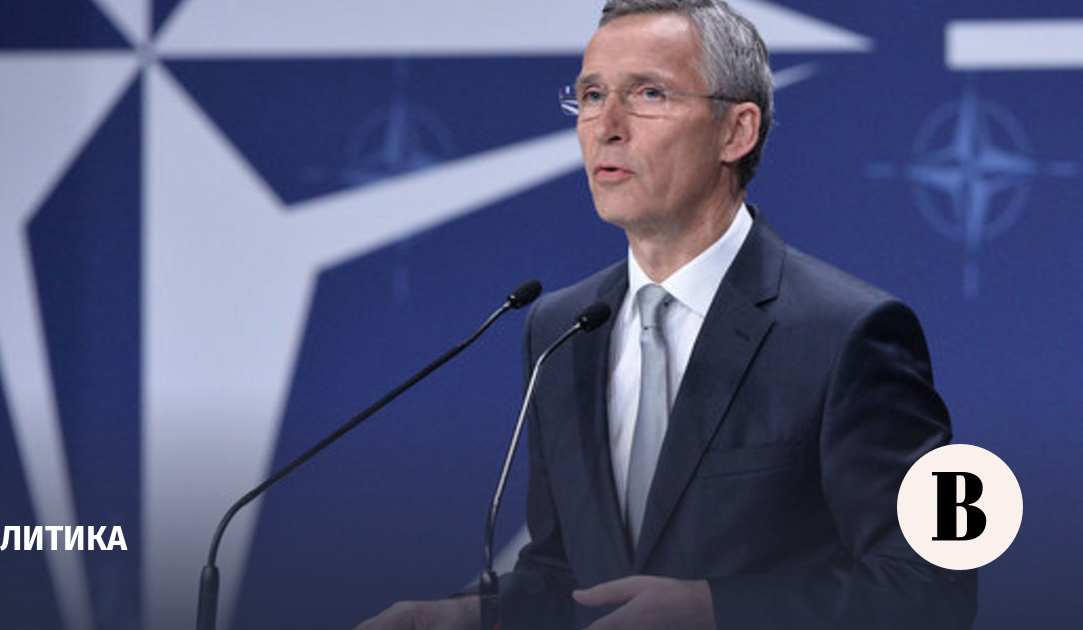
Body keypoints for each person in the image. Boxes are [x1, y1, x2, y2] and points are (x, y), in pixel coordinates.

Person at [357, 1, 977, 628]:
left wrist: (716, 611)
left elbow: (932, 587)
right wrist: (467, 618)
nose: (606, 126)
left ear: (736, 131)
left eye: (648, 93)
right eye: (592, 95)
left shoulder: (846, 333)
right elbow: (565, 574)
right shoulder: (560, 329)